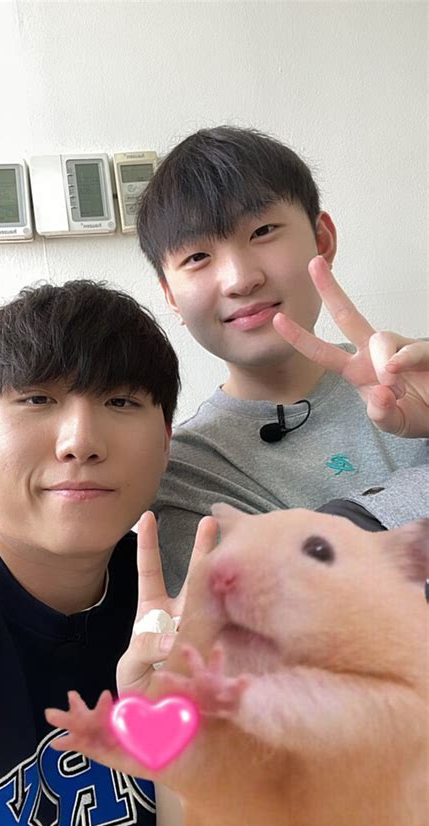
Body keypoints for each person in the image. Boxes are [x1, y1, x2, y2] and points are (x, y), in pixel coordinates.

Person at [136, 125, 428, 594]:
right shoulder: (187, 474)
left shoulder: (417, 377)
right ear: (171, 296)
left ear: (322, 240)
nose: (240, 279)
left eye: (263, 231)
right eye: (197, 257)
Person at [0, 279, 182, 826]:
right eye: (37, 399)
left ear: (166, 442)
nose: (80, 442)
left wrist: (178, 745)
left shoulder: (183, 611)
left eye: (121, 401)